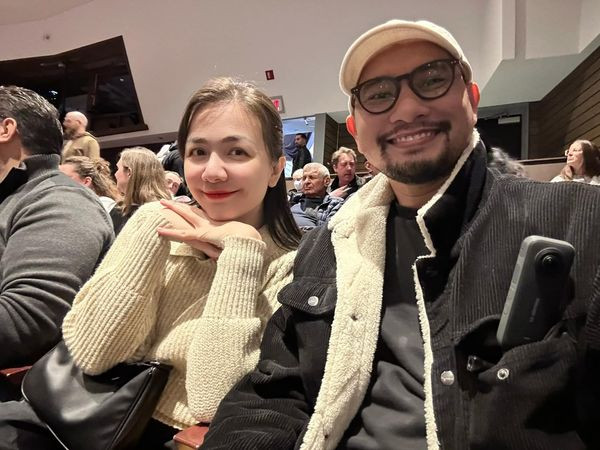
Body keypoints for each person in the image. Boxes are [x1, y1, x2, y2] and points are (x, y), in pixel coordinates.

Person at [201, 20, 600, 449]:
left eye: (432, 79)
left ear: (472, 99)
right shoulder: (327, 245)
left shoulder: (581, 221)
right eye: (378, 94)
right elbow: (273, 393)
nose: (407, 109)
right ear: (356, 131)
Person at [0, 77, 302, 449]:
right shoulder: (154, 225)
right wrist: (149, 227)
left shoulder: (292, 266)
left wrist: (240, 255)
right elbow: (93, 354)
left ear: (275, 169)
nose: (212, 172)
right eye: (198, 152)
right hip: (63, 419)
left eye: (237, 152)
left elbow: (212, 403)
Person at [0, 86, 113, 395]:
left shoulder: (58, 199)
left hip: (24, 397)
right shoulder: (15, 197)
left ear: (5, 129)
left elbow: (26, 320)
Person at [110, 146, 171, 235]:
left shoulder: (153, 214)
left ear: (129, 172)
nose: (115, 174)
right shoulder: (166, 210)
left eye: (118, 169)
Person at [289, 162, 331, 229]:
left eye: (312, 178)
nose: (306, 182)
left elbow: (328, 231)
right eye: (304, 178)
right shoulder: (293, 203)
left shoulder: (334, 205)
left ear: (326, 181)